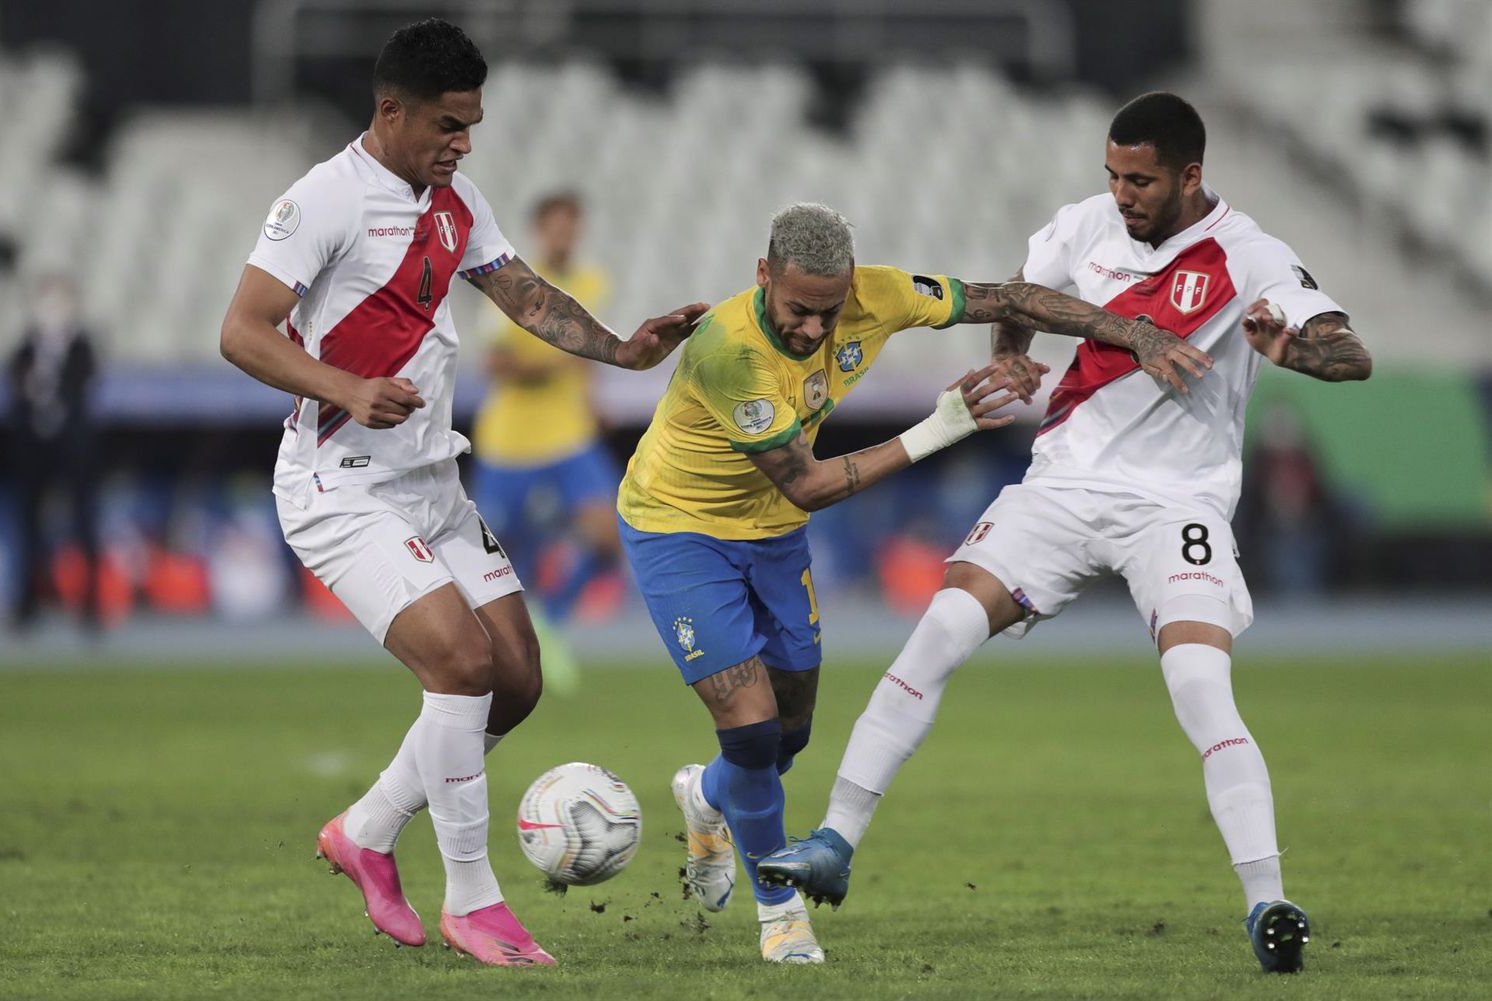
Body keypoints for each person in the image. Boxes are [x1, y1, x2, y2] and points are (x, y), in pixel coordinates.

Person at [758, 93, 1373, 975]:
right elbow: (1024, 292)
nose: (1122, 193)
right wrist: (1011, 350)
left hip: (1178, 505)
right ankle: (834, 840)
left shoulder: (1251, 254)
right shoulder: (1085, 224)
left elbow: (1352, 354)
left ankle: (1268, 898)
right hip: (1064, 485)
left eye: (1141, 179)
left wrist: (1291, 353)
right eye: (1114, 175)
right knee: (939, 630)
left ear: (1190, 176)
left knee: (1201, 685)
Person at [218, 18, 705, 968]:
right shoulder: (323, 199)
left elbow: (523, 293)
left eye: (473, 124)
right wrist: (346, 387)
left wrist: (620, 348)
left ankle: (364, 830)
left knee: (515, 682)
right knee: (459, 664)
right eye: (449, 123)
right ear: (390, 110)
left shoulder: (456, 198)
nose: (464, 142)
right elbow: (242, 331)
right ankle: (474, 900)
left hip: (432, 478)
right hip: (338, 485)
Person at [619, 202, 1192, 964]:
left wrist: (1139, 331)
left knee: (786, 736)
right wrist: (941, 425)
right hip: (679, 528)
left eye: (830, 312)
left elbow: (1007, 296)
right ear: (763, 276)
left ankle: (707, 795)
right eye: (797, 310)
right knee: (752, 728)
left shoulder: (879, 294)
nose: (815, 331)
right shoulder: (729, 350)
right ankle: (780, 912)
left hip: (772, 539)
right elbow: (809, 485)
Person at [470, 191, 619, 690]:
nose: (564, 235)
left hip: (569, 435)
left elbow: (587, 362)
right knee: (501, 553)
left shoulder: (591, 282)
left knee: (608, 532)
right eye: (555, 226)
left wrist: (592, 400)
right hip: (510, 442)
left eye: (571, 226)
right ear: (539, 230)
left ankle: (551, 625)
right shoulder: (512, 285)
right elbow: (494, 363)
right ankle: (500, 647)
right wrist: (556, 362)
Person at [7, 274, 101, 632]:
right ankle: (27, 604)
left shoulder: (80, 345)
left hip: (73, 448)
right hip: (34, 446)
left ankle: (89, 606)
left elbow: (84, 383)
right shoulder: (28, 346)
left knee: (83, 525)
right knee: (29, 526)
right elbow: (14, 381)